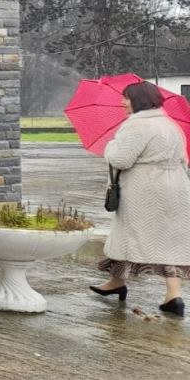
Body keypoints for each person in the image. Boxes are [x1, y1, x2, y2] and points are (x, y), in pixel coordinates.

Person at [90, 82, 190, 318]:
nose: (122, 102)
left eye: (126, 98)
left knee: (129, 235)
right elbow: (184, 160)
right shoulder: (170, 125)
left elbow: (121, 159)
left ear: (139, 100)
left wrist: (110, 146)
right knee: (169, 241)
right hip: (176, 189)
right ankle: (173, 295)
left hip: (144, 190)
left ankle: (117, 283)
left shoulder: (136, 125)